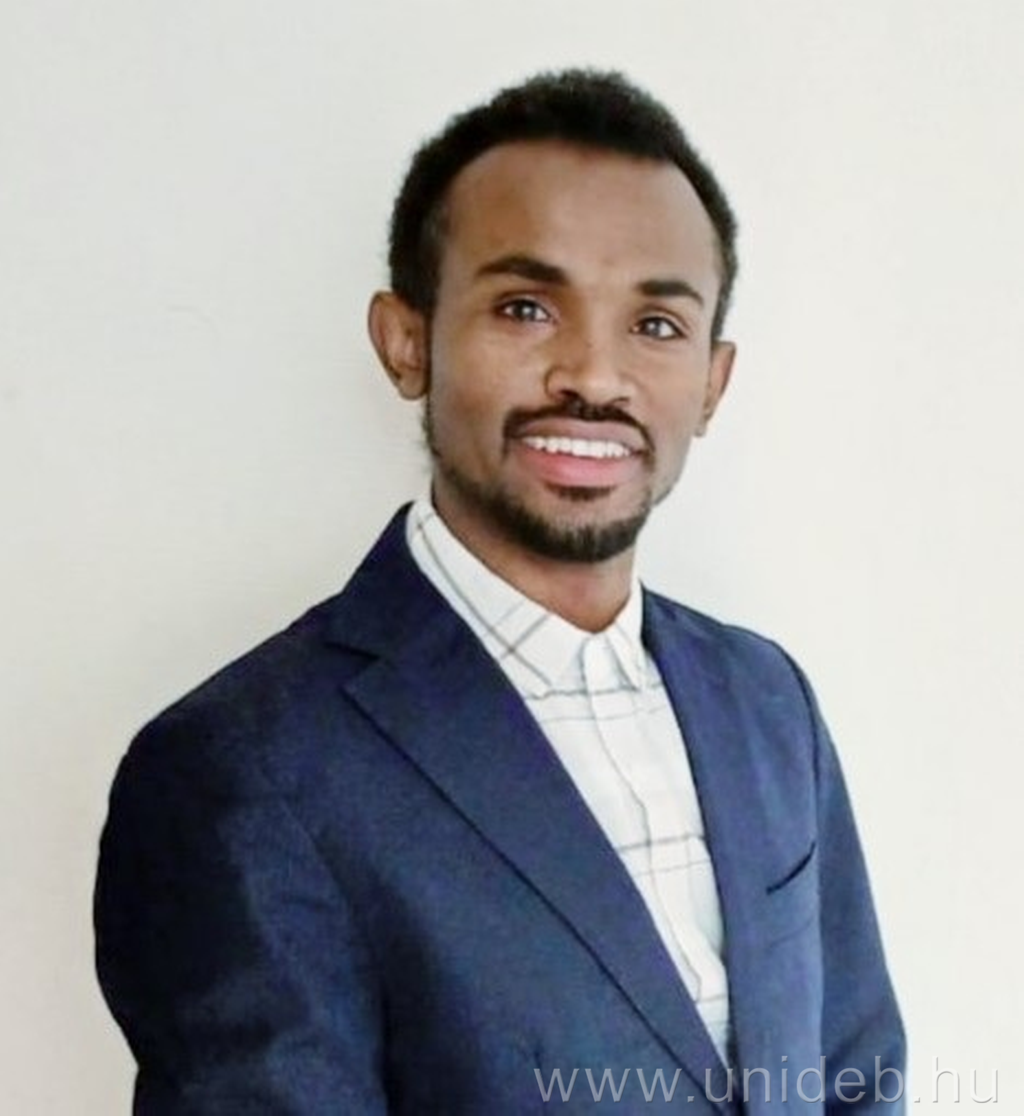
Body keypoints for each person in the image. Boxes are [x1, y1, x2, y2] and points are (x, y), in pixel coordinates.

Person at [95, 69, 905, 1113]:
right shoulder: (241, 769)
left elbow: (855, 1072)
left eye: (657, 324)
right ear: (406, 342)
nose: (594, 377)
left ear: (712, 381)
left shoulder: (765, 700)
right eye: (526, 308)